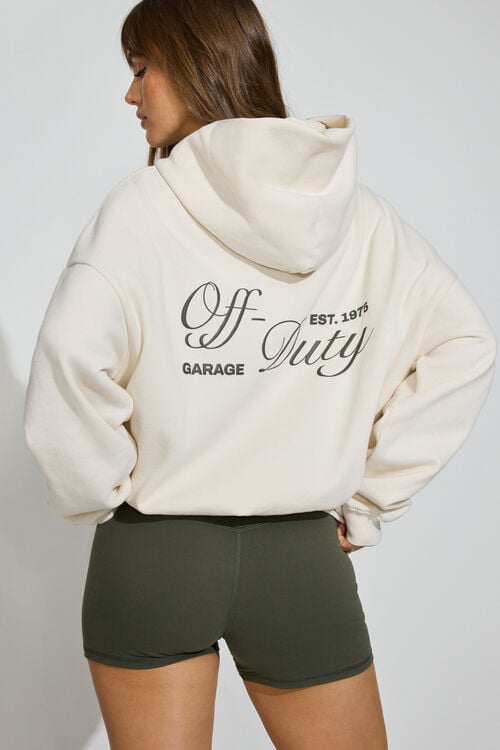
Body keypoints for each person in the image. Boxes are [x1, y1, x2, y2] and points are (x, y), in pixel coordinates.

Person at [22, 1, 496, 748]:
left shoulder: (138, 212)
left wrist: (97, 491)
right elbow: (463, 343)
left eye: (142, 70)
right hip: (301, 561)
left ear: (194, 64)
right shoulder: (362, 221)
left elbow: (68, 365)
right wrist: (371, 498)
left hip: (154, 558)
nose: (130, 94)